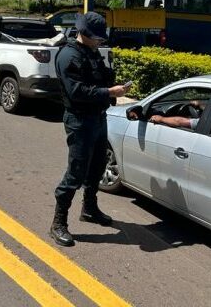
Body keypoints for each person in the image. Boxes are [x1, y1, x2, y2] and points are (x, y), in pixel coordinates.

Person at [50, 12, 131, 247]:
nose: (100, 41)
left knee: (97, 167)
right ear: (83, 34)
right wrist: (109, 92)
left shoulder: (92, 53)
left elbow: (100, 79)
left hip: (98, 117)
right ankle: (58, 222)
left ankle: (89, 208)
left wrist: (112, 85)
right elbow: (77, 91)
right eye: (97, 38)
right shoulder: (69, 55)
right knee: (76, 172)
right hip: (79, 120)